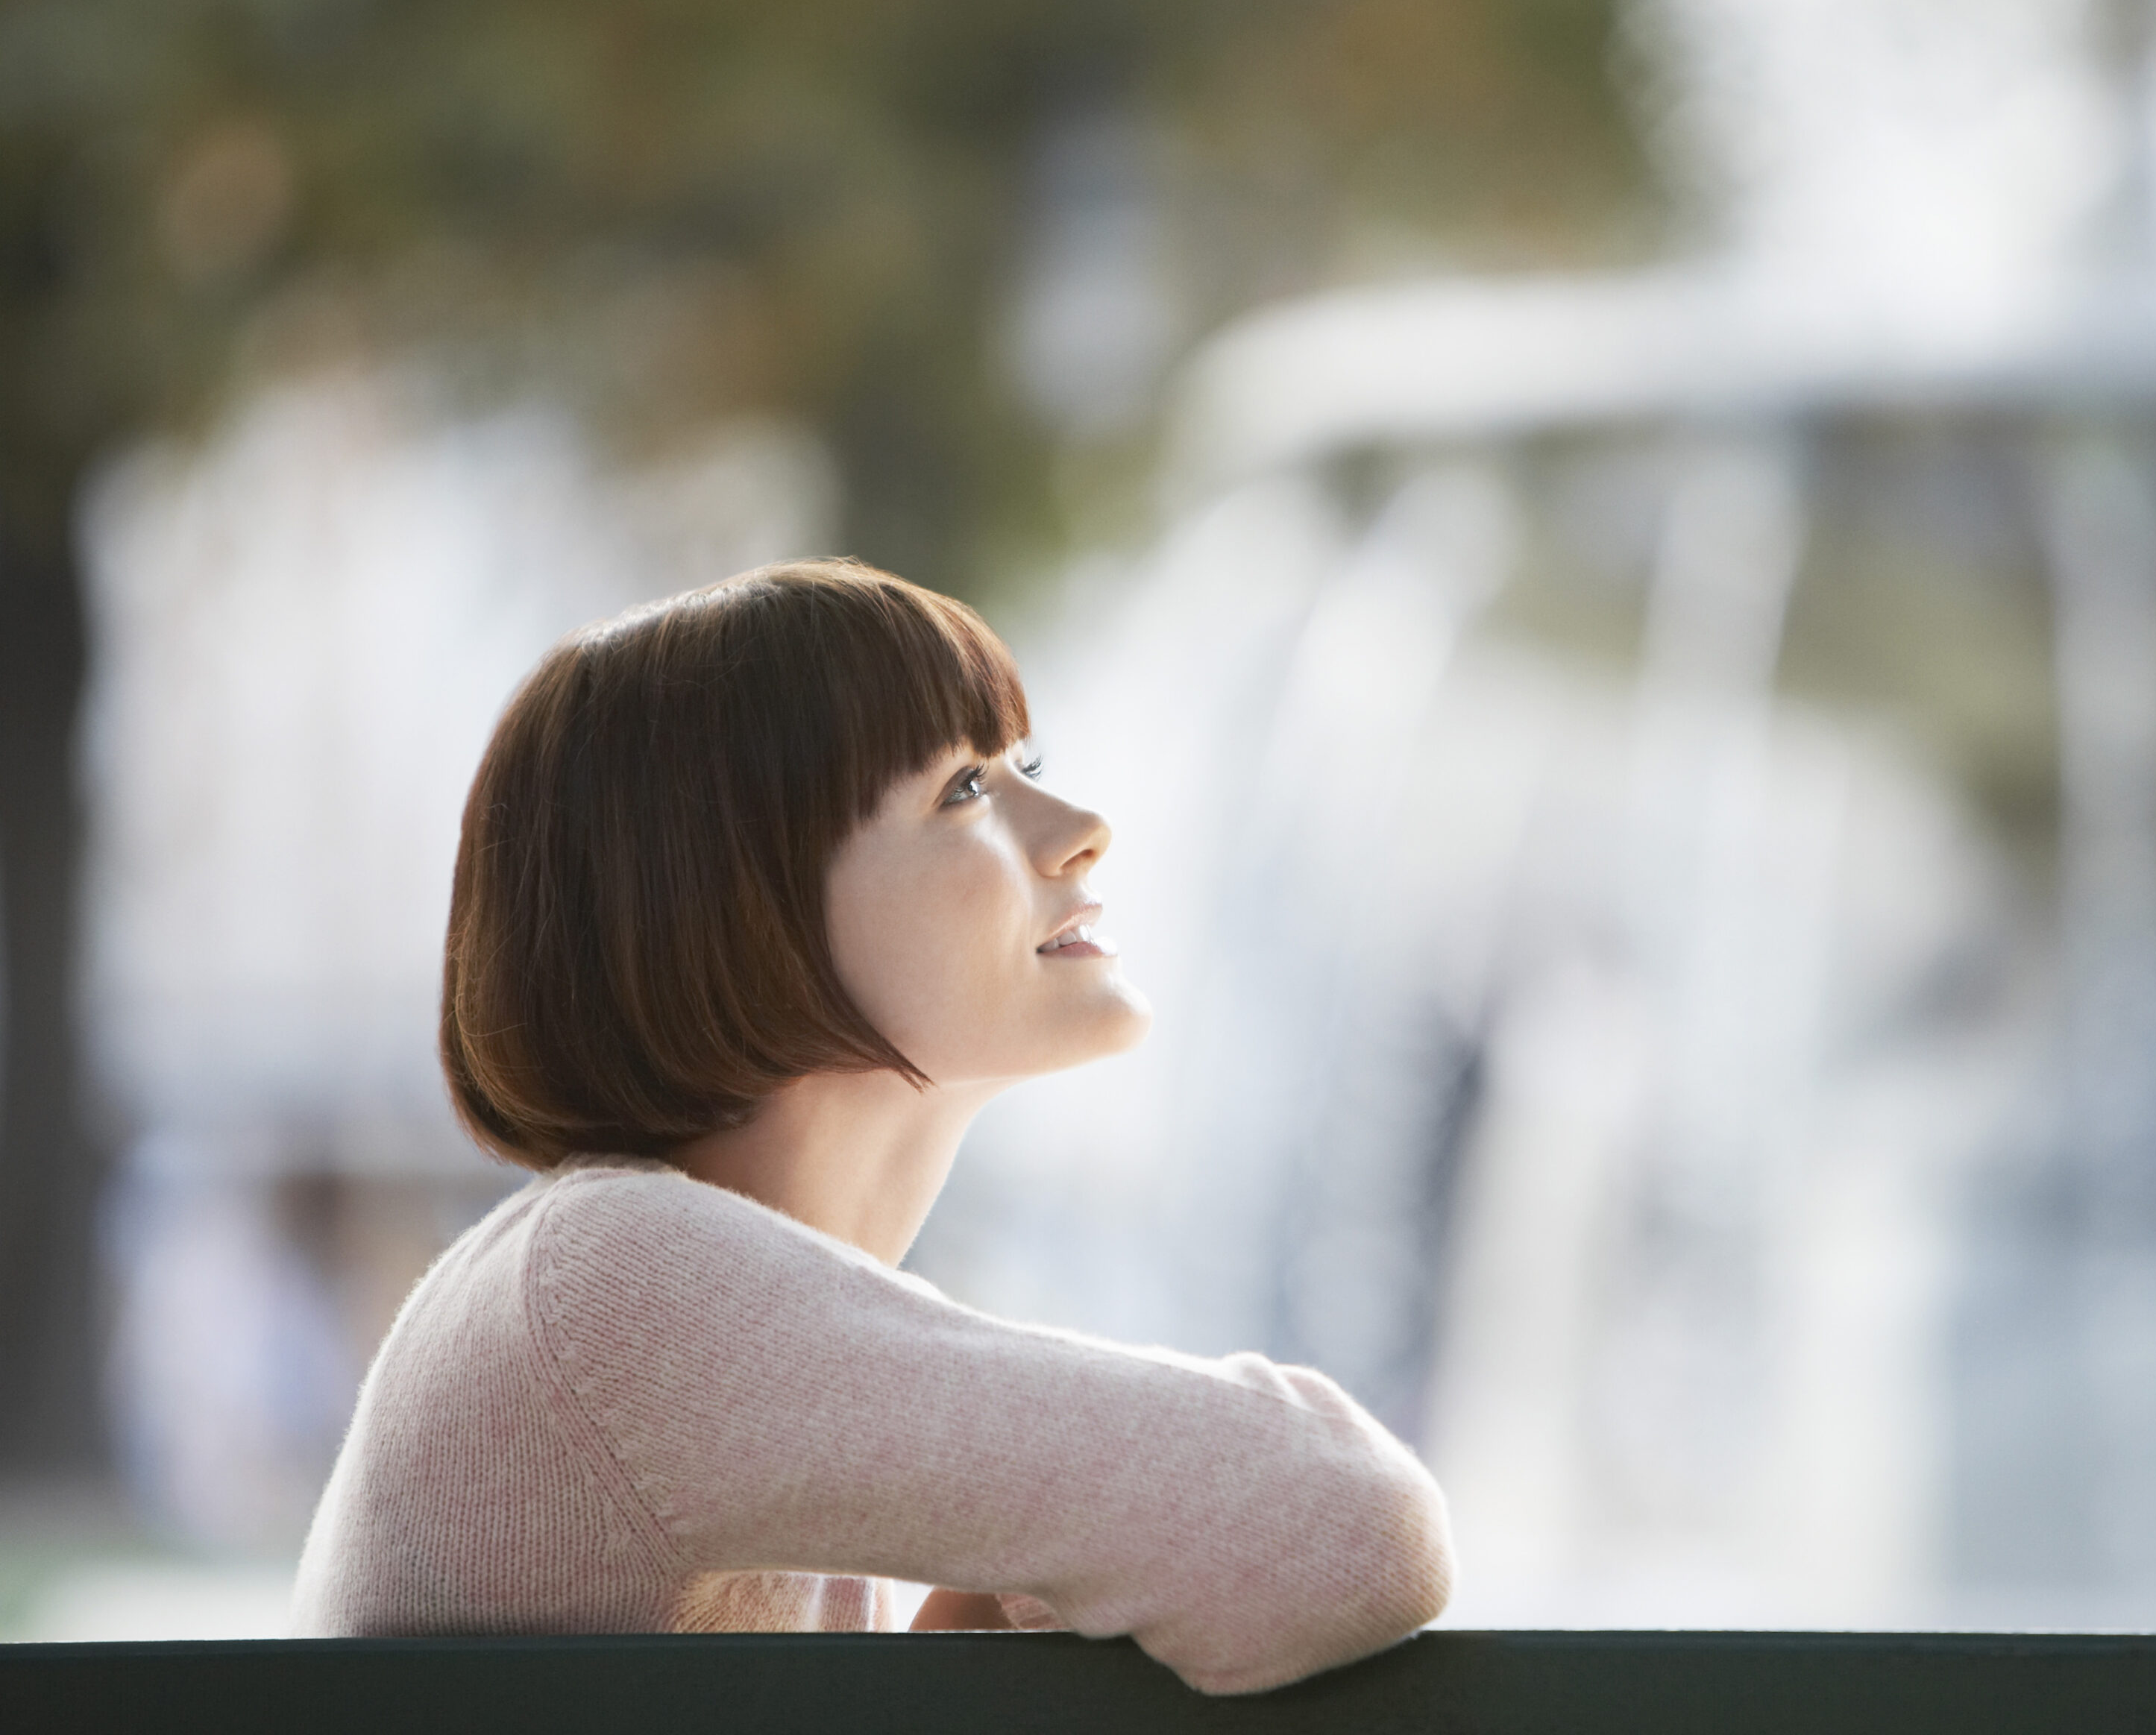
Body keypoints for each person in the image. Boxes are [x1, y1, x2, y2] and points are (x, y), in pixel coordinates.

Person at [289, 559, 1453, 1694]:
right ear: (739, 910)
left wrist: (1024, 1586)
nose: (1085, 826)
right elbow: (1350, 1524)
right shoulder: (622, 1281)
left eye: (1020, 766)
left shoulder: (649, 1291)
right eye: (964, 790)